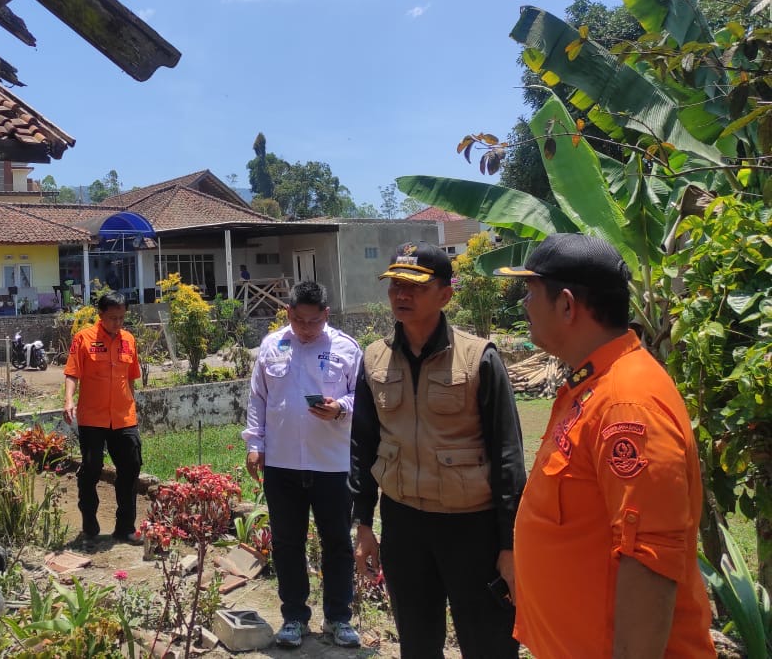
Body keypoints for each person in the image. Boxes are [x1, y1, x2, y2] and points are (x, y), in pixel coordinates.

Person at [492, 234, 714, 657]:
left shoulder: (627, 404)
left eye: (531, 292)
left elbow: (649, 560)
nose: (523, 304)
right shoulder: (594, 386)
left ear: (567, 305)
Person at [350, 241, 525, 659]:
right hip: (404, 522)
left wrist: (509, 546)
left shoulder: (478, 359)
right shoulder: (374, 359)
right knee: (417, 641)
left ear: (445, 294)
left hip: (471, 526)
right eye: (394, 285)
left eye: (414, 287)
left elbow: (508, 455)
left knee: (489, 644)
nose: (401, 295)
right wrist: (363, 524)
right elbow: (363, 445)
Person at [243, 281, 362, 649]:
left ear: (326, 315)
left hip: (332, 464)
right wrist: (255, 444)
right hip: (282, 465)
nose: (305, 329)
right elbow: (257, 398)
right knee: (287, 543)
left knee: (338, 543)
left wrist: (340, 407)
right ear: (289, 313)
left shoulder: (346, 348)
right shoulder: (272, 346)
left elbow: (363, 397)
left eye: (313, 322)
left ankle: (339, 619)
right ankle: (294, 617)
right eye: (297, 320)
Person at [63, 291, 143, 548]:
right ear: (100, 315)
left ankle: (125, 528)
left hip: (123, 417)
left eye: (121, 318)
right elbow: (72, 373)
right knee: (91, 469)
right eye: (112, 318)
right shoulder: (83, 339)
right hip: (92, 418)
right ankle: (90, 526)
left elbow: (130, 378)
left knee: (131, 469)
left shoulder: (129, 340)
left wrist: (133, 407)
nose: (117, 323)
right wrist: (68, 400)